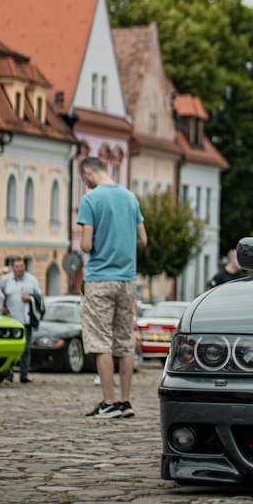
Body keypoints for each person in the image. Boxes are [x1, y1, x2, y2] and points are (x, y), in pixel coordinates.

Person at [76, 156, 146, 420]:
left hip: (100, 278)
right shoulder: (130, 197)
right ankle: (126, 401)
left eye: (84, 180)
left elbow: (86, 245)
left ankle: (109, 401)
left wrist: (101, 243)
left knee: (99, 340)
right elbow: (143, 238)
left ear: (87, 172)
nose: (85, 184)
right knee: (125, 340)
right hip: (127, 280)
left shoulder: (91, 200)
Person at [1, 256, 42, 383]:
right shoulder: (5, 280)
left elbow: (39, 297)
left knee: (26, 348)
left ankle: (24, 375)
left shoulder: (32, 280)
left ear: (25, 267)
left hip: (26, 319)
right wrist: (2, 307)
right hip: (10, 320)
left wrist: (31, 299)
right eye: (17, 267)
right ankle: (8, 374)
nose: (19, 269)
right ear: (13, 267)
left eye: (21, 267)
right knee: (10, 348)